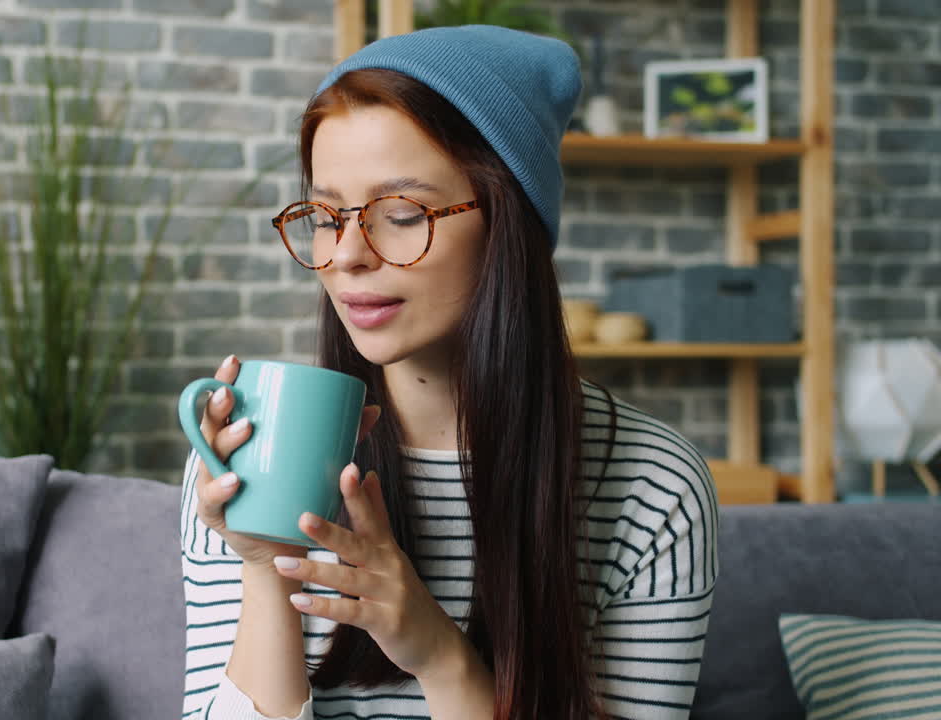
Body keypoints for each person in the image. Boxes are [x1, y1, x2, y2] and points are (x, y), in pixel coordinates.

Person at [180, 25, 717, 720]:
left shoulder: (653, 487)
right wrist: (263, 565)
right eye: (324, 215)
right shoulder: (238, 457)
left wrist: (439, 654)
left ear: (507, 222)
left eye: (400, 213)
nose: (346, 256)